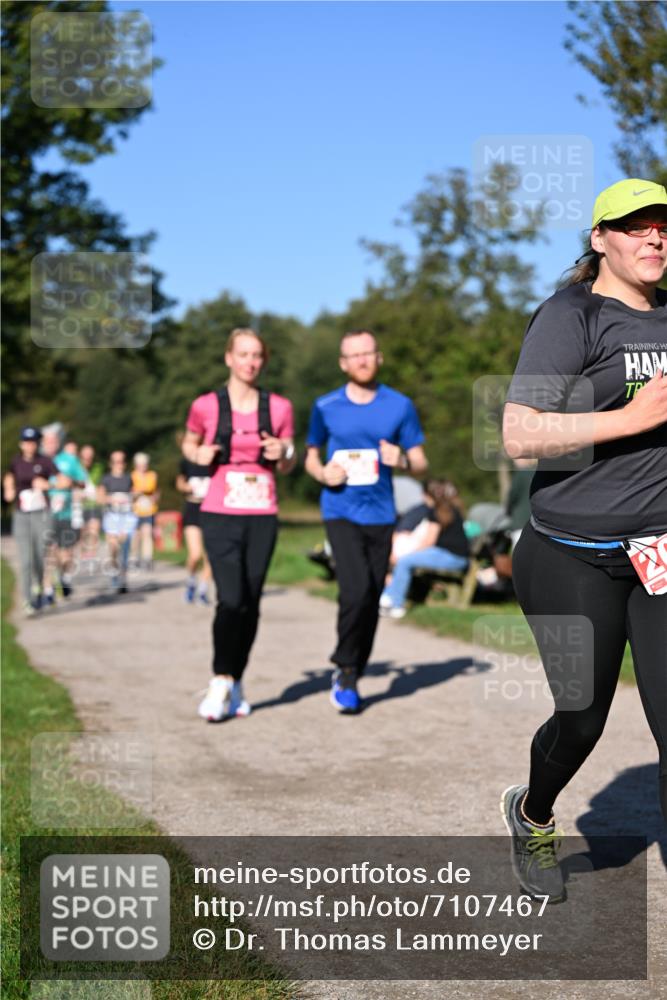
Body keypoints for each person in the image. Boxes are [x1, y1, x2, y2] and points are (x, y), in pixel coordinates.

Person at [501, 178, 667, 902]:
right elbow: (516, 435)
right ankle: (533, 813)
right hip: (569, 552)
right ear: (599, 238)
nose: (653, 238)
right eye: (635, 226)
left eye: (662, 226)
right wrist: (627, 419)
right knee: (580, 719)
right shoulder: (572, 316)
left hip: (658, 553)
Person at [305, 329, 428, 713]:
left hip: (380, 514)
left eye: (367, 353)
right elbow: (311, 455)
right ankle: (344, 667)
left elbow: (421, 462)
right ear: (343, 363)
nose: (360, 360)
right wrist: (323, 473)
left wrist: (403, 460)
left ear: (379, 358)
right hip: (340, 509)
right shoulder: (325, 406)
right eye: (352, 355)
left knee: (371, 594)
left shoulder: (399, 405)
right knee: (355, 589)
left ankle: (353, 669)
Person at [182, 328, 296, 722]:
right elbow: (189, 443)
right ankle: (219, 680)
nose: (250, 362)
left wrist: (285, 451)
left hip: (262, 513)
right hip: (219, 510)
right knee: (229, 598)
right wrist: (198, 451)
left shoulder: (279, 407)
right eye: (243, 354)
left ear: (263, 361)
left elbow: (287, 461)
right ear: (228, 358)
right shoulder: (206, 405)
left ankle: (237, 679)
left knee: (250, 602)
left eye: (257, 355)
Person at [379, 479, 469, 618]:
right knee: (406, 560)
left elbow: (428, 541)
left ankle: (395, 604)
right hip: (456, 556)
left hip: (451, 557)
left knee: (405, 562)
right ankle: (388, 598)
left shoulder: (436, 512)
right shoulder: (451, 509)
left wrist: (406, 555)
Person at [2, 427, 62, 615]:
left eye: (33, 442)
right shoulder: (16, 462)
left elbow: (62, 481)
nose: (30, 445)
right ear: (21, 444)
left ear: (37, 444)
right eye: (27, 442)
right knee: (25, 559)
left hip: (41, 514)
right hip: (22, 515)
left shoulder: (45, 462)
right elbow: (9, 477)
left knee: (39, 554)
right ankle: (27, 601)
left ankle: (38, 584)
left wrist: (48, 484)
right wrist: (8, 489)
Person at [41, 424, 86, 600]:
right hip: (45, 512)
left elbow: (83, 482)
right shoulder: (39, 461)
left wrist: (71, 482)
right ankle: (48, 589)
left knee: (66, 554)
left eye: (53, 440)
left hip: (66, 513)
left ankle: (64, 576)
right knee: (50, 551)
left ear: (58, 442)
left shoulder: (69, 460)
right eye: (47, 441)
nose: (50, 444)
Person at [175, 440, 213, 604]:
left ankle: (203, 589)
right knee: (195, 554)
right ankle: (191, 581)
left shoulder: (214, 461)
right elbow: (180, 482)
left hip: (211, 509)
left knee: (211, 555)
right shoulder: (187, 462)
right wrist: (186, 488)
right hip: (193, 508)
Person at [98, 451, 137, 593]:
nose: (119, 464)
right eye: (116, 462)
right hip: (111, 516)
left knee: (125, 548)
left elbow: (134, 495)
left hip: (126, 517)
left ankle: (123, 579)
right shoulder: (106, 479)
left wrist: (134, 497)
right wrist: (113, 499)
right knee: (113, 548)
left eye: (121, 461)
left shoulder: (128, 478)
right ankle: (114, 574)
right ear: (111, 463)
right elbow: (100, 498)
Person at [131, 452, 159, 570]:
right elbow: (129, 492)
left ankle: (147, 558)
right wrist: (136, 493)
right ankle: (134, 557)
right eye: (140, 464)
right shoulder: (132, 476)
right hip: (135, 509)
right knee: (136, 535)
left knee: (147, 533)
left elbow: (156, 491)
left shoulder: (152, 475)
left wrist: (155, 497)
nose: (143, 466)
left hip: (149, 509)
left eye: (145, 464)